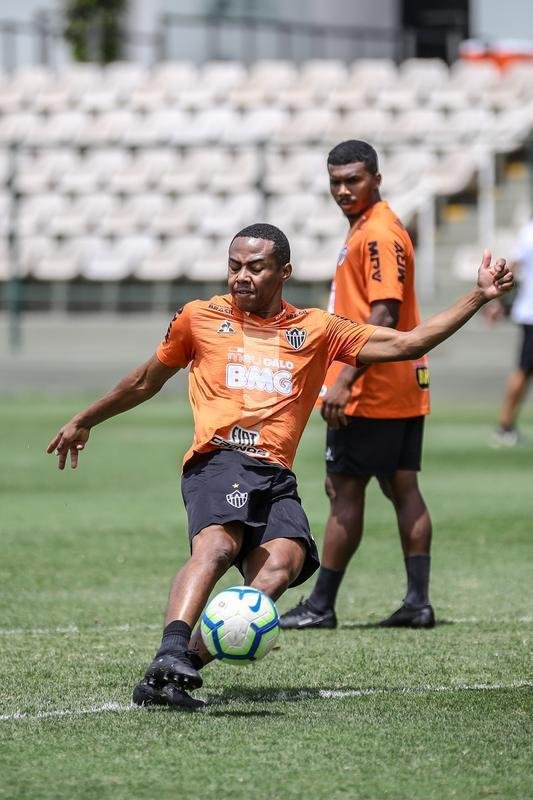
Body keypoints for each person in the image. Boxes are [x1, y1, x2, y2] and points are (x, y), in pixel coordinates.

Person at [47, 223, 513, 710]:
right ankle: (169, 652)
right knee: (219, 545)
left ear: (284, 271)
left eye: (255, 267)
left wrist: (477, 297)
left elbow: (408, 344)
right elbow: (145, 380)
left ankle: (173, 672)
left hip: (275, 475)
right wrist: (86, 419)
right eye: (234, 267)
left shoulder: (316, 329)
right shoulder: (199, 318)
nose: (240, 277)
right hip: (218, 458)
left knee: (283, 567)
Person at [280, 140, 434, 631]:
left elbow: (383, 312)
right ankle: (417, 603)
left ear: (377, 179)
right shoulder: (373, 228)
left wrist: (344, 380)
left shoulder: (378, 235)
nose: (343, 190)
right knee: (402, 485)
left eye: (353, 180)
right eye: (336, 181)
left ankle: (321, 604)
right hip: (404, 382)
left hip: (374, 387)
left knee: (342, 488)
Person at [489, 218, 533, 447]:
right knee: (524, 370)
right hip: (531, 313)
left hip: (528, 312)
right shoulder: (529, 231)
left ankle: (505, 425)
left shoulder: (527, 230)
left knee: (524, 371)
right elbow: (513, 268)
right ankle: (504, 425)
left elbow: (513, 268)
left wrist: (498, 302)